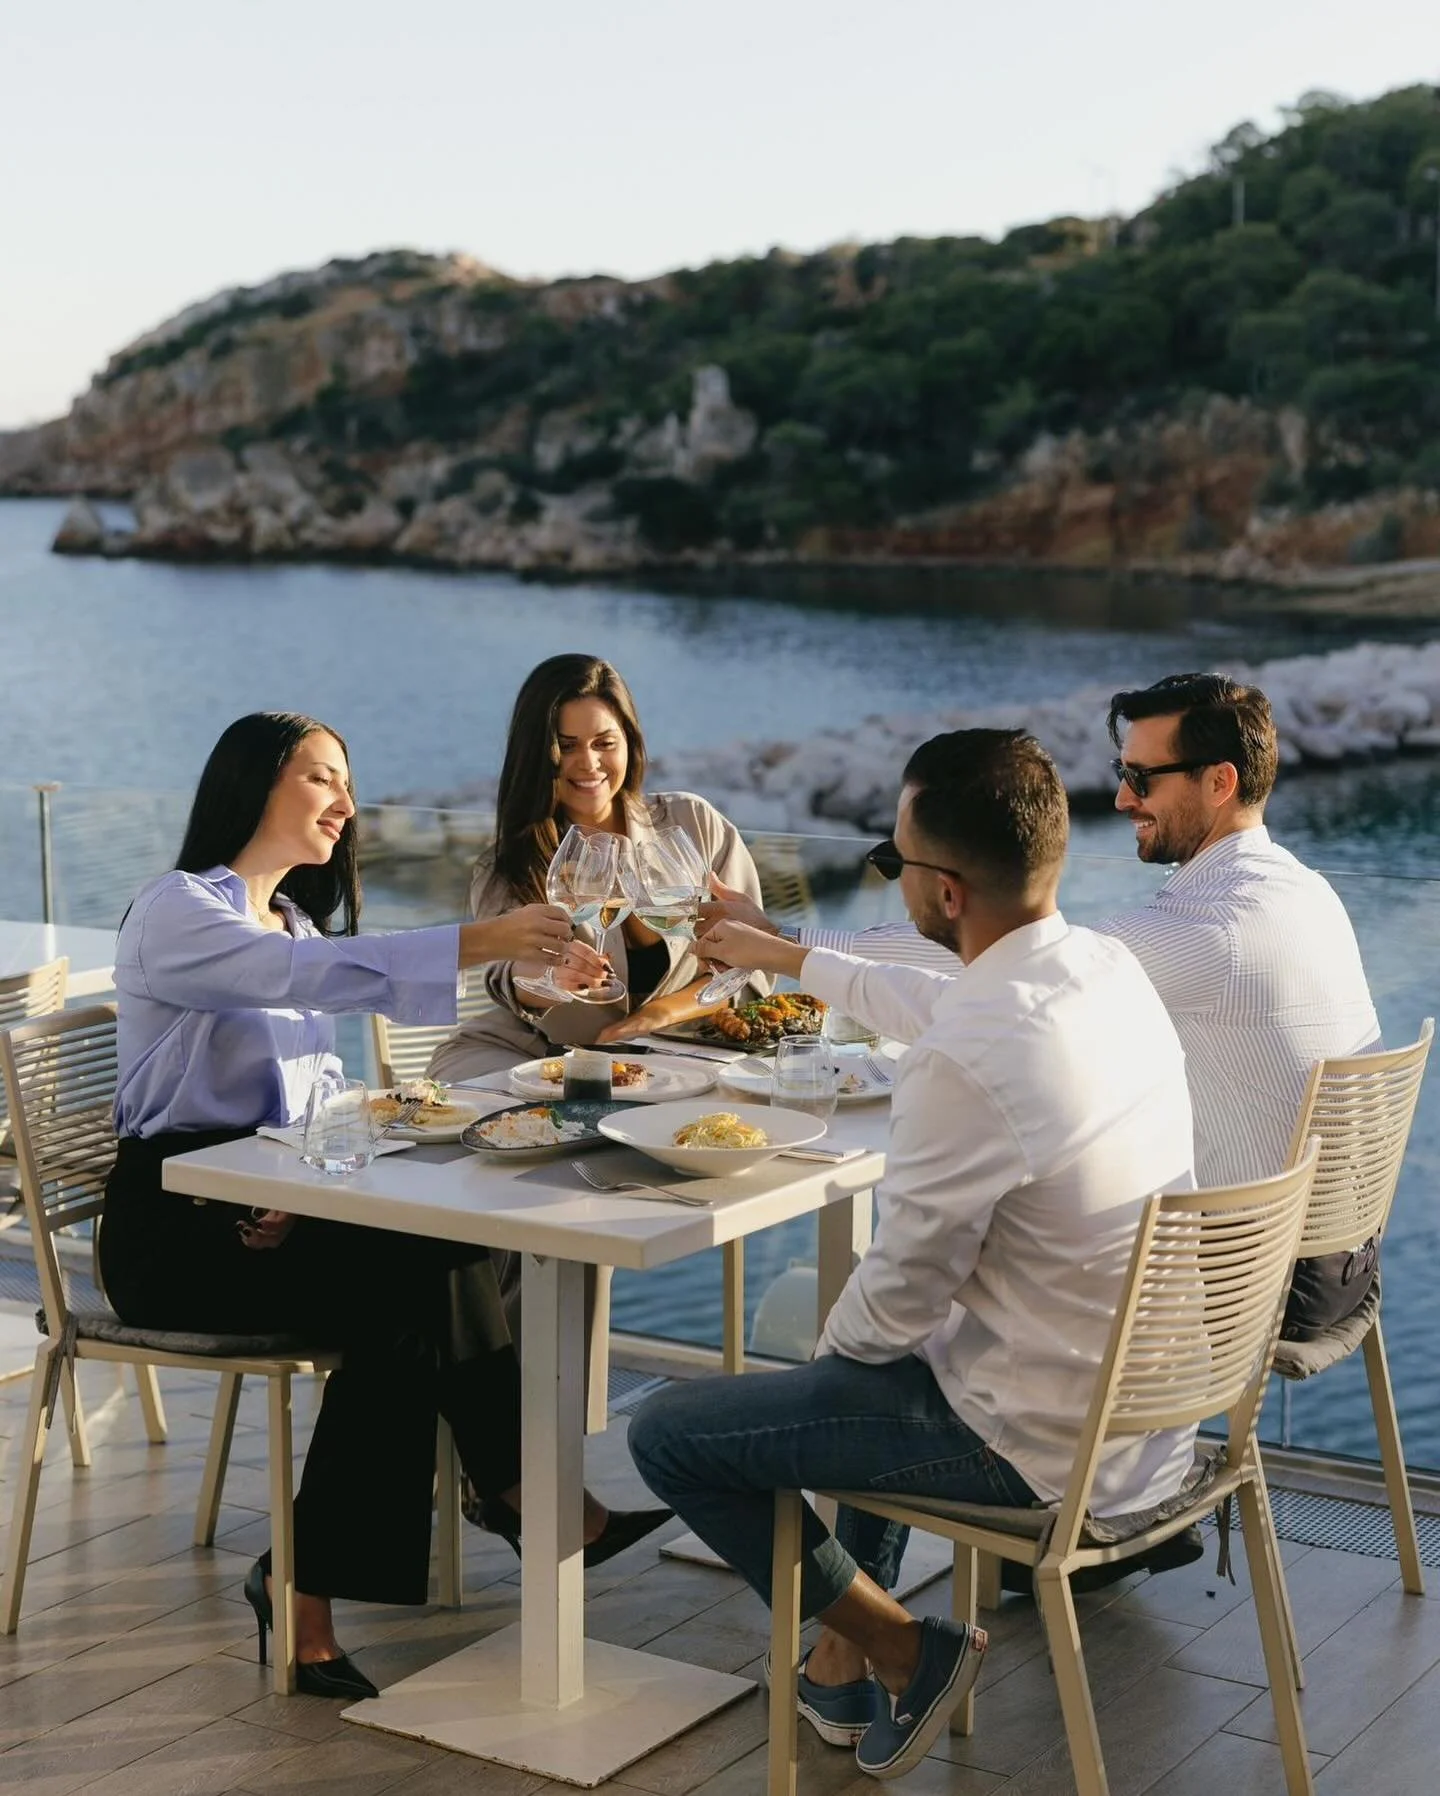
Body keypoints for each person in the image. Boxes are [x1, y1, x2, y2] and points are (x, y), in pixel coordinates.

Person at [629, 729, 1197, 1780]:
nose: (888, 875)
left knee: (673, 1433)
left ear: (942, 891)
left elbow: (893, 1305)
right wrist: (784, 954)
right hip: (1149, 1426)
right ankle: (840, 1659)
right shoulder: (1101, 969)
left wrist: (817, 1381)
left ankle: (901, 1646)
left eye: (892, 860)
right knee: (880, 1367)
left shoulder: (969, 1057)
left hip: (1040, 1451)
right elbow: (940, 1003)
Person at [101, 711, 666, 1701]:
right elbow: (297, 979)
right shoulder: (177, 911)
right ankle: (517, 1492)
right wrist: (486, 938)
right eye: (323, 777)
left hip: (269, 1197)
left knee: (431, 1267)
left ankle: (316, 1581)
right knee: (420, 1278)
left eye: (347, 782)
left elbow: (320, 1078)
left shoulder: (296, 922)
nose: (347, 803)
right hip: (175, 1229)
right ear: (255, 781)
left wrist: (305, 1183)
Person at [426, 652, 768, 1083]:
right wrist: (551, 977)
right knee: (525, 1104)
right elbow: (507, 977)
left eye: (604, 743)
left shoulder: (693, 823)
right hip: (537, 1054)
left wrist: (655, 1017)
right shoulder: (507, 864)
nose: (588, 763)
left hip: (683, 1052)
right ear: (539, 755)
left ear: (629, 742)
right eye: (566, 746)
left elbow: (751, 962)